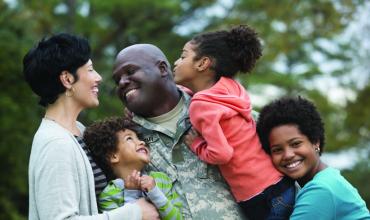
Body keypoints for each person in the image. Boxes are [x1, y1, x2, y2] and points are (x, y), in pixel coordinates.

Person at [24, 33, 158, 220]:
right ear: (67, 79)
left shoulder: (78, 130)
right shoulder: (55, 144)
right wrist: (134, 213)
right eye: (90, 70)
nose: (98, 78)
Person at [172, 25, 295, 219]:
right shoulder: (230, 89)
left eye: (183, 56)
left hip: (257, 196)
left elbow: (222, 154)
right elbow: (209, 101)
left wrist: (196, 145)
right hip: (280, 184)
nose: (176, 62)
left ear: (203, 63)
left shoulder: (201, 106)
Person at [112, 43, 245, 219]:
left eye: (130, 72)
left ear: (162, 68)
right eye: (117, 80)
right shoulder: (123, 139)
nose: (122, 82)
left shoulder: (219, 111)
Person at [256, 96, 370, 219]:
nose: (288, 155)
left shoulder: (321, 190)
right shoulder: (328, 177)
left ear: (316, 142)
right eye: (277, 150)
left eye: (295, 144)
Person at [83, 116, 183, 219]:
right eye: (129, 138)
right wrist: (131, 194)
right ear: (113, 156)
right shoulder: (108, 196)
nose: (142, 142)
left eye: (139, 138)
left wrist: (155, 192)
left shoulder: (161, 179)